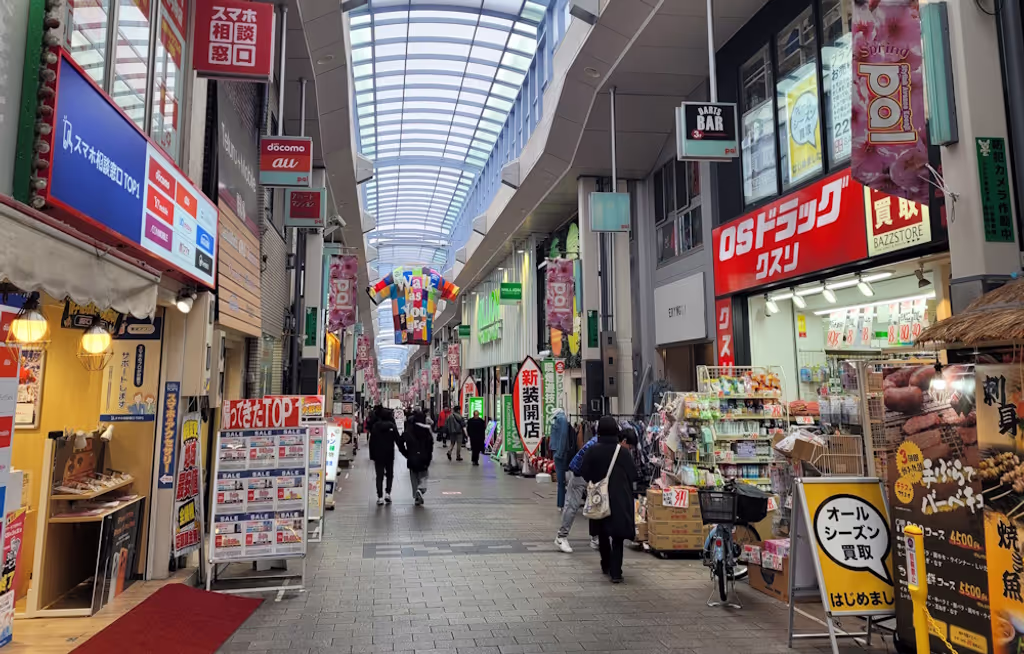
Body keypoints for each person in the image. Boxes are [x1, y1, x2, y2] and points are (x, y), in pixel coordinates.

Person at [579, 417, 637, 583]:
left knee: (603, 532)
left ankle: (605, 564)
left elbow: (583, 471)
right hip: (619, 497)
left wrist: (595, 481)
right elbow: (633, 474)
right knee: (617, 536)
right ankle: (616, 572)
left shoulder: (592, 450)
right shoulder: (623, 452)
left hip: (599, 497)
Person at [554, 425, 600, 553]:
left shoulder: (596, 442)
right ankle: (561, 537)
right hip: (580, 476)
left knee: (595, 506)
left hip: (586, 476)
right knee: (572, 506)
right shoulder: (596, 444)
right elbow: (580, 463)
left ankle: (596, 538)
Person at [397, 410, 434, 505]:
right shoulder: (426, 431)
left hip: (412, 458)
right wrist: (429, 457)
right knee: (424, 477)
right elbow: (430, 446)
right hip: (424, 458)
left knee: (414, 479)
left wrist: (406, 453)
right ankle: (421, 490)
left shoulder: (408, 431)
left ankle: (416, 496)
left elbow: (400, 442)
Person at [368, 408, 400, 505]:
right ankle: (388, 493)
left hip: (378, 455)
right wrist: (406, 452)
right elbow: (398, 440)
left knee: (379, 476)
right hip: (389, 454)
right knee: (390, 474)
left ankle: (380, 497)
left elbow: (371, 442)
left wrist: (372, 455)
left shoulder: (375, 427)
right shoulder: (392, 426)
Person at [549, 408, 573, 509]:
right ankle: (561, 503)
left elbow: (563, 435)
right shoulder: (559, 418)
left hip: (559, 452)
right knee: (561, 480)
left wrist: (559, 452)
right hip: (558, 451)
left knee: (561, 480)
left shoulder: (561, 419)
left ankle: (561, 503)